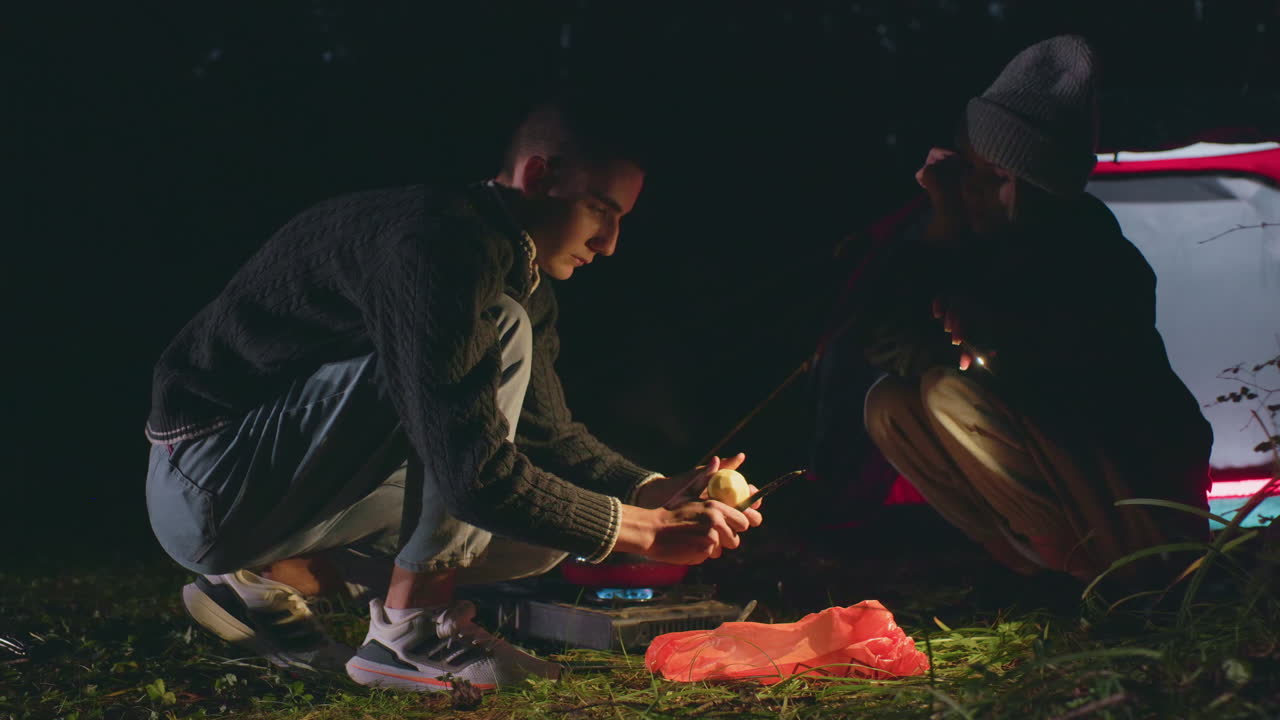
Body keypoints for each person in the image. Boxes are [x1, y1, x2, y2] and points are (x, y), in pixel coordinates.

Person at [144, 93, 763, 692]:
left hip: (275, 495)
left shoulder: (512, 265)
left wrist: (649, 489)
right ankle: (411, 635)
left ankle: (262, 577)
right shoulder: (436, 245)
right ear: (539, 175)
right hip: (209, 477)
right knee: (500, 337)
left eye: (621, 219)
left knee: (542, 535)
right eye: (601, 209)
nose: (610, 243)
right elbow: (475, 478)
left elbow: (548, 438)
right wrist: (647, 530)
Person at [843, 35, 1213, 586]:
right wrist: (942, 223)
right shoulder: (967, 240)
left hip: (1128, 502)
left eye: (982, 174)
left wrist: (996, 332)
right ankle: (1034, 568)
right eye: (965, 169)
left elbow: (1087, 361)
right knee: (890, 402)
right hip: (1058, 492)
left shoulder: (1094, 252)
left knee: (948, 393)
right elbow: (888, 339)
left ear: (1022, 184)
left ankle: (1096, 577)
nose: (965, 187)